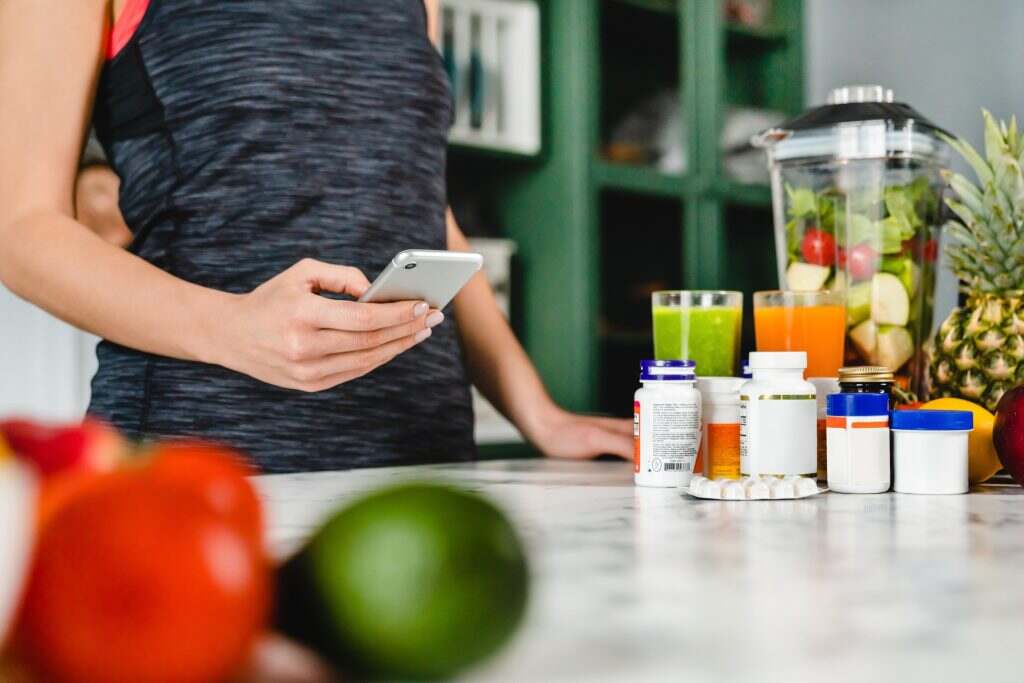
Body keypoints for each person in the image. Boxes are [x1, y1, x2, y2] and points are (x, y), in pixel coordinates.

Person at [0, 0, 632, 472]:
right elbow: (21, 228)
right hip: (205, 456)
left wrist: (539, 414)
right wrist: (231, 327)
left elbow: (417, 201)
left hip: (423, 450)